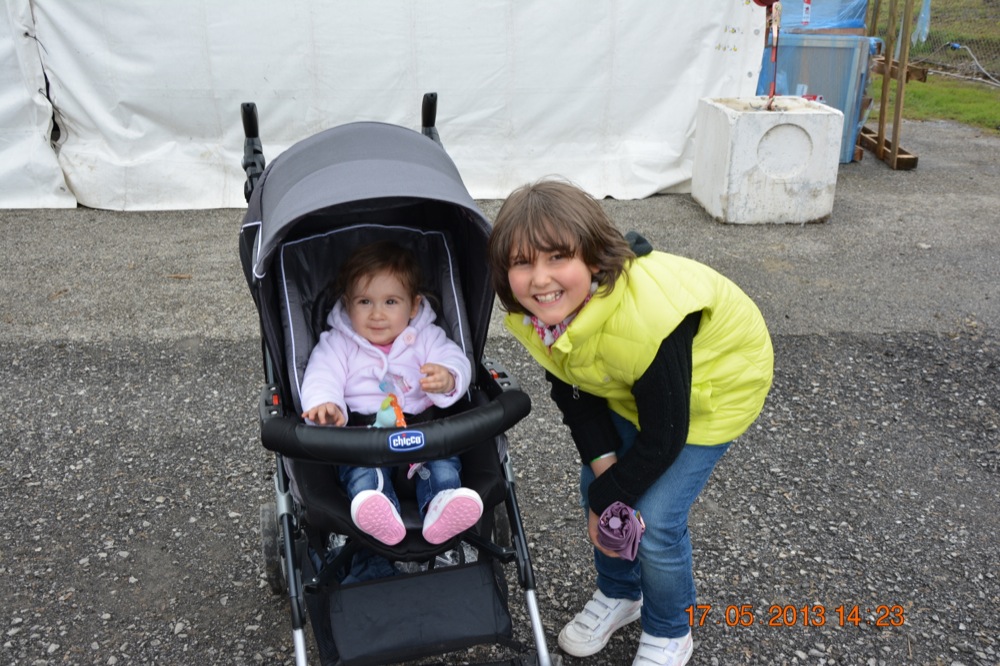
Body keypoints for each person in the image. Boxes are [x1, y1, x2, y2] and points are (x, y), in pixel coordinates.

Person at [487, 180, 773, 666]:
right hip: (636, 386)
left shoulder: (645, 320)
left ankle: (670, 630)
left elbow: (665, 438)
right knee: (600, 481)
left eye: (557, 257)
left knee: (654, 519)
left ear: (595, 258)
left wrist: (610, 499)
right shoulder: (545, 316)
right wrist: (605, 486)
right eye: (522, 262)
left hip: (715, 389)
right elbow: (575, 394)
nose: (540, 278)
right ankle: (622, 593)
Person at [300, 240, 482, 546]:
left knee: (443, 462)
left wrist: (449, 378)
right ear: (347, 304)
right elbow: (321, 374)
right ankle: (377, 507)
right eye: (364, 302)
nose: (377, 314)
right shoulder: (338, 343)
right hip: (363, 436)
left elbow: (455, 358)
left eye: (390, 302)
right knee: (361, 471)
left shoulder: (426, 336)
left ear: (413, 306)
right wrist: (325, 404)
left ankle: (442, 503)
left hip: (424, 431)